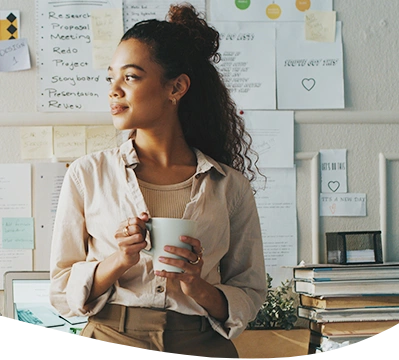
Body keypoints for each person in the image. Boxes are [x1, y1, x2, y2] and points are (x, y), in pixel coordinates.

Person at [49, 3, 267, 358]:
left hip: (203, 345)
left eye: (130, 77)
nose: (114, 90)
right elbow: (61, 290)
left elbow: (250, 291)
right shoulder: (86, 174)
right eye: (111, 78)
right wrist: (118, 260)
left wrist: (196, 285)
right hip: (111, 337)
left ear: (176, 88)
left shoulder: (230, 185)